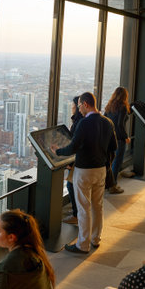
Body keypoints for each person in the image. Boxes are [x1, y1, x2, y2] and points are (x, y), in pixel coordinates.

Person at [52, 92, 117, 254]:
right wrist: (106, 164)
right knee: (97, 206)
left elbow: (73, 148)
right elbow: (113, 147)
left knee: (83, 208)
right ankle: (95, 239)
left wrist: (57, 151)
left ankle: (83, 244)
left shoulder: (84, 124)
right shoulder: (108, 122)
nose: (79, 109)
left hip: (84, 171)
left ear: (86, 104)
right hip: (101, 170)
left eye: (80, 105)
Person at [105, 86, 133, 194]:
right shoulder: (123, 107)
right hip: (119, 139)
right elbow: (120, 125)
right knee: (117, 162)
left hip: (108, 137)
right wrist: (125, 137)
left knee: (109, 162)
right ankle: (113, 185)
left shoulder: (109, 106)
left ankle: (106, 184)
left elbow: (105, 120)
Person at [63, 96, 83, 225]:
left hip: (77, 161)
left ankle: (77, 214)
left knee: (71, 185)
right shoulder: (83, 121)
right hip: (81, 160)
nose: (72, 108)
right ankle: (78, 213)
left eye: (73, 106)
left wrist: (69, 163)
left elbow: (74, 145)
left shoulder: (78, 123)